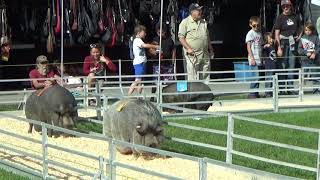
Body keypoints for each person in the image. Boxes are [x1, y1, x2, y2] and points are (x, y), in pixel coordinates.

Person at [178, 3, 214, 81]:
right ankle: (193, 93)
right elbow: (181, 38)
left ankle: (204, 92)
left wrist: (211, 49)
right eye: (198, 10)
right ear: (192, 12)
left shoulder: (203, 22)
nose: (201, 11)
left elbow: (207, 37)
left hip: (204, 54)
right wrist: (188, 48)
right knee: (192, 77)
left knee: (205, 75)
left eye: (201, 10)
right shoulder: (185, 22)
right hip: (192, 55)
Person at [274, 0, 302, 95]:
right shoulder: (280, 18)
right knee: (282, 66)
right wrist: (278, 48)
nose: (285, 8)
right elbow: (276, 34)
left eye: (287, 6)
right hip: (282, 43)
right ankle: (281, 89)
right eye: (283, 6)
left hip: (292, 43)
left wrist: (299, 36)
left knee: (291, 65)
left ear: (291, 6)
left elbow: (301, 27)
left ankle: (290, 88)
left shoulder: (295, 16)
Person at [128, 25, 159, 95]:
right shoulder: (137, 40)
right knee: (137, 80)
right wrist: (155, 46)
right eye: (144, 32)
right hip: (139, 63)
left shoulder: (140, 40)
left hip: (143, 63)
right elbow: (144, 45)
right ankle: (128, 96)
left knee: (141, 81)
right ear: (139, 33)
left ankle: (139, 96)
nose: (145, 34)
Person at [150, 23, 176, 96]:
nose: (160, 34)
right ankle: (153, 96)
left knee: (169, 82)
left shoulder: (170, 40)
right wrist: (154, 52)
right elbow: (150, 50)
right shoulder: (154, 40)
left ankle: (169, 96)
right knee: (155, 81)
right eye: (158, 32)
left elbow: (173, 50)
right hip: (157, 64)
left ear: (165, 31)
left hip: (167, 64)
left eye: (162, 32)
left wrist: (173, 61)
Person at [297, 22, 320, 93]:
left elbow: (318, 47)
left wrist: (314, 54)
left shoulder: (315, 37)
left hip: (314, 61)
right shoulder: (302, 38)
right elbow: (299, 49)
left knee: (315, 75)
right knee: (303, 76)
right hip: (305, 61)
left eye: (309, 30)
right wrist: (306, 53)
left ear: (312, 30)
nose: (307, 32)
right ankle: (301, 90)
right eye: (306, 30)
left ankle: (316, 90)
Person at [246, 16, 263, 99]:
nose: (256, 27)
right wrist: (252, 58)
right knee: (255, 76)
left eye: (258, 25)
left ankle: (256, 92)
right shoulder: (250, 33)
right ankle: (252, 93)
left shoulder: (259, 33)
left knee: (258, 76)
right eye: (254, 25)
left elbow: (261, 45)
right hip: (253, 58)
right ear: (250, 25)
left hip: (259, 58)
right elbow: (248, 47)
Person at [263, 32, 277, 97]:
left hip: (274, 66)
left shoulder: (273, 46)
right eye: (270, 39)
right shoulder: (267, 47)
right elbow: (263, 48)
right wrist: (265, 46)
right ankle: (267, 92)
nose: (271, 40)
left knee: (273, 80)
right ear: (266, 40)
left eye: (272, 38)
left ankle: (272, 92)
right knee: (268, 79)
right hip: (268, 66)